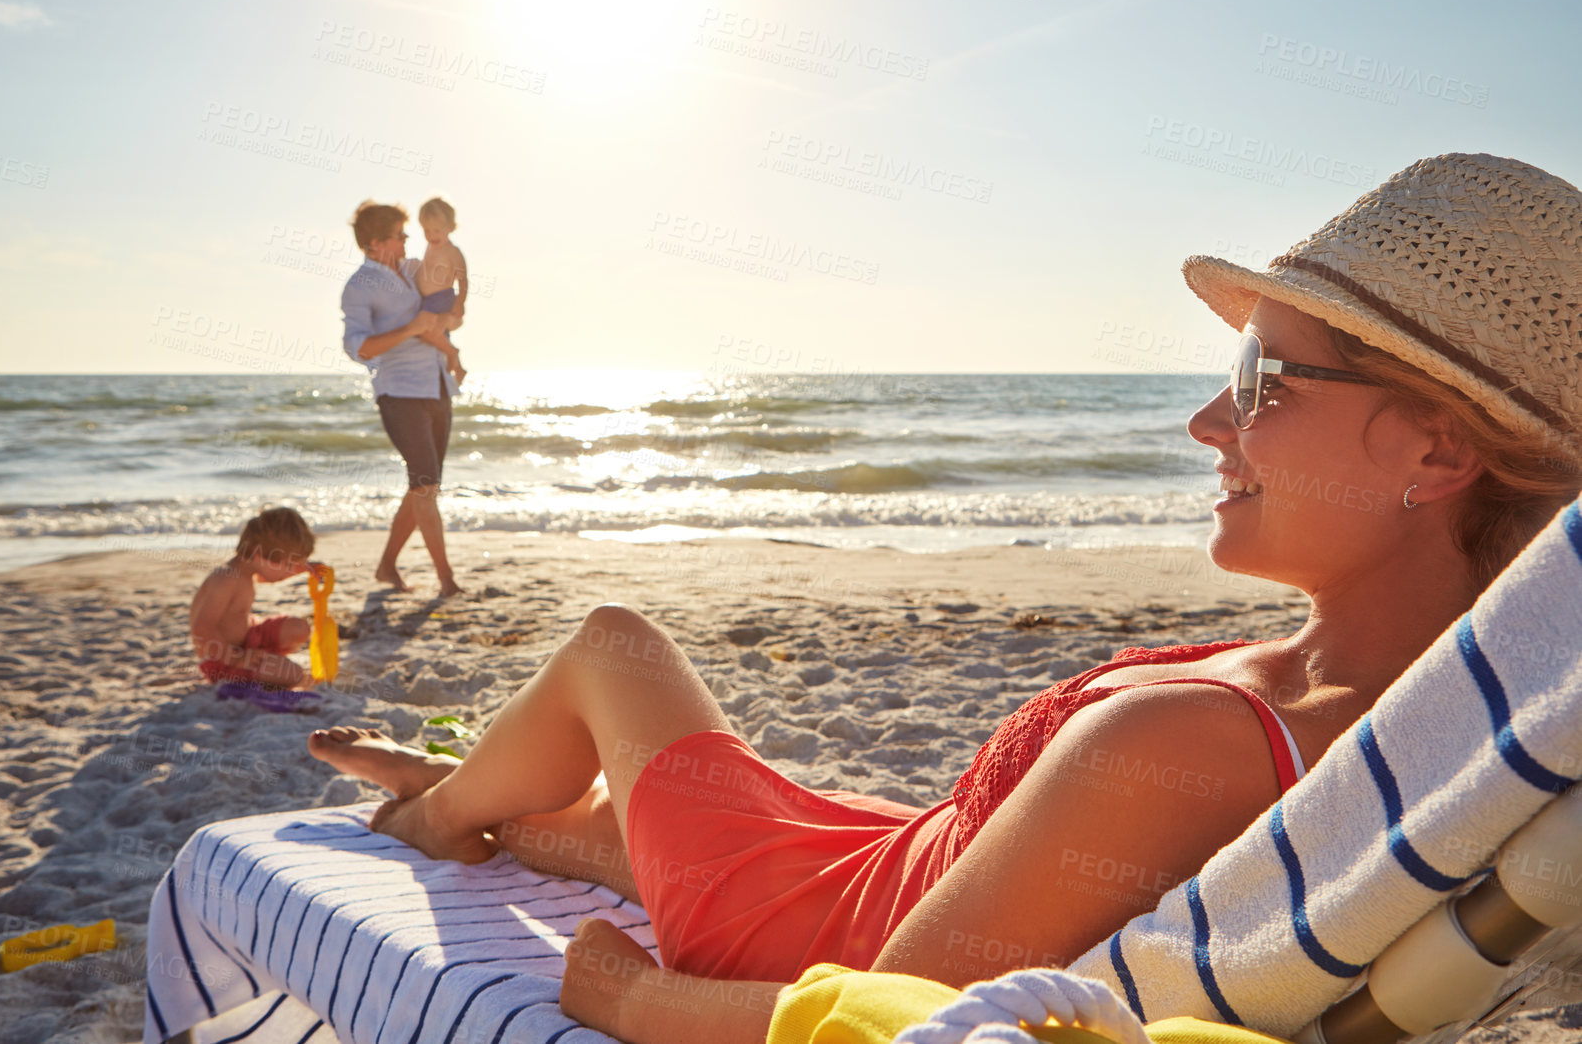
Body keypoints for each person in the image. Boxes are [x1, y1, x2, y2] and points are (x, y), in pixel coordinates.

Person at [310, 155, 1582, 1042]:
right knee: (586, 807)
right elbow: (1020, 862)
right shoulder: (1374, 721)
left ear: (1434, 451)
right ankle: (471, 801)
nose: (1207, 420)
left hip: (801, 931)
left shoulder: (1190, 743)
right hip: (877, 856)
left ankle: (436, 827)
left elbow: (903, 1023)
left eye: (1264, 382)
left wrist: (630, 1002)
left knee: (613, 646)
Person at [340, 200, 462, 597]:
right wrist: (410, 329)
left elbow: (448, 303)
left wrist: (453, 316)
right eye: (400, 235)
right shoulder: (359, 286)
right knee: (425, 486)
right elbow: (359, 348)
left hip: (437, 385)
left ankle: (386, 566)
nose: (408, 240)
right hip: (400, 393)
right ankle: (446, 579)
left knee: (423, 487)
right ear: (375, 243)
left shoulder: (413, 270)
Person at [188, 507, 319, 688]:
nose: (291, 569)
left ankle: (265, 659)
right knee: (293, 674)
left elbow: (269, 576)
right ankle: (259, 665)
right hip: (223, 657)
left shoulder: (247, 571)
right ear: (259, 555)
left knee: (300, 628)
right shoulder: (226, 579)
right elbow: (202, 629)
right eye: (288, 564)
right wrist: (237, 659)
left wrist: (305, 568)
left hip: (251, 637)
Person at [409, 196, 469, 385]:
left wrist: (460, 302)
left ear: (450, 227)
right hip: (427, 300)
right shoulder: (430, 247)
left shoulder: (453, 252)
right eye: (426, 230)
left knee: (429, 332)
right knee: (436, 337)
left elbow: (463, 279)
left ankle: (453, 356)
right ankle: (453, 368)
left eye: (436, 230)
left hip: (443, 300)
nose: (431, 235)